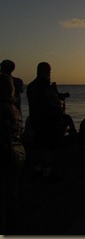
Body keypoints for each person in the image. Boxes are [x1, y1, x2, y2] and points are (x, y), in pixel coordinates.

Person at [26, 62, 66, 182]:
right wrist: (60, 99)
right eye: (49, 71)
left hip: (35, 120)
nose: (50, 73)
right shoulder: (45, 86)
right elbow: (55, 103)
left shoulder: (31, 86)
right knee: (46, 149)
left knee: (37, 147)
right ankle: (46, 174)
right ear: (46, 71)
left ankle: (37, 171)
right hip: (46, 122)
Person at [0, 74, 26, 234]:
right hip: (14, 157)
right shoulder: (13, 108)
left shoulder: (5, 109)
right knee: (10, 196)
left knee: (7, 196)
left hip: (6, 156)